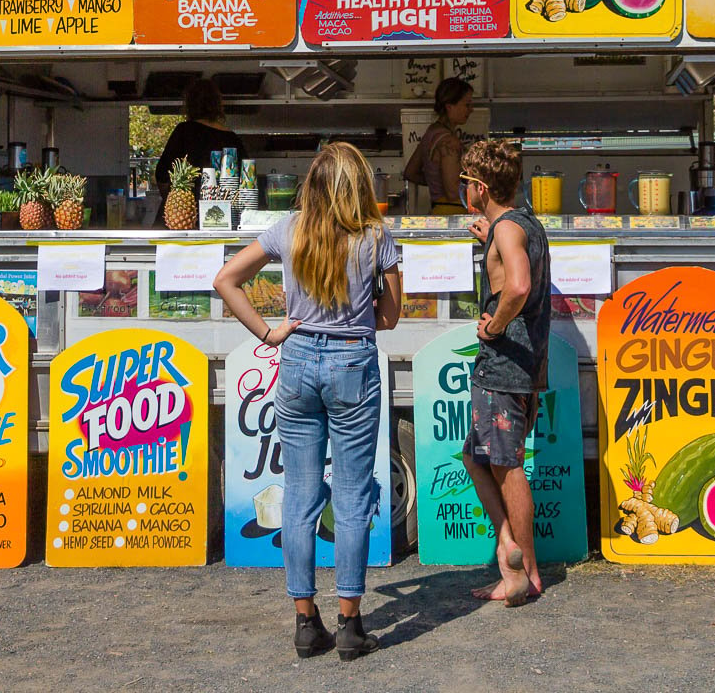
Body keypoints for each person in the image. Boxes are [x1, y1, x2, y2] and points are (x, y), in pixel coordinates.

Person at [213, 142, 402, 661]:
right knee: (352, 495)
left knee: (297, 498)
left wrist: (269, 333)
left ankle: (305, 622)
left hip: (294, 362)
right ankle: (350, 624)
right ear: (357, 185)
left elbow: (225, 279)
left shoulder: (287, 230)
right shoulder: (375, 236)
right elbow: (389, 318)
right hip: (351, 364)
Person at [458, 139, 551, 606]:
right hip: (522, 367)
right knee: (475, 457)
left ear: (478, 187)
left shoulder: (509, 231)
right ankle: (508, 547)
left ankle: (524, 572)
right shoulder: (522, 225)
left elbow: (517, 285)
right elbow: (512, 266)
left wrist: (493, 326)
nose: (463, 191)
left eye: (464, 184)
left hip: (503, 366)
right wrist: (489, 242)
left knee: (507, 466)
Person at [154, 79, 247, 196]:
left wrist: (171, 199)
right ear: (217, 104)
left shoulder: (184, 131)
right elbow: (245, 179)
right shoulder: (232, 138)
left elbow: (162, 174)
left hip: (187, 205)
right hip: (226, 207)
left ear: (189, 104)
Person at [402, 77, 473, 216]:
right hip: (453, 213)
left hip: (437, 210)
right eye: (467, 104)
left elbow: (410, 172)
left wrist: (435, 183)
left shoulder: (431, 133)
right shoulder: (449, 142)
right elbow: (453, 192)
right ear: (449, 106)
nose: (471, 110)